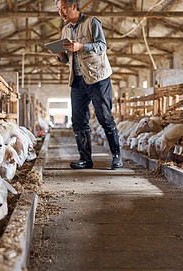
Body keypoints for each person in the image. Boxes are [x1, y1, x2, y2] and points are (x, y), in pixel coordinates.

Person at [55, 0, 123, 170]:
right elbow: (67, 59)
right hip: (77, 80)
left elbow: (102, 46)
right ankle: (85, 159)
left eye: (63, 8)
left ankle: (116, 157)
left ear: (73, 6)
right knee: (78, 120)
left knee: (105, 117)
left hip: (97, 78)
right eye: (58, 10)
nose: (61, 13)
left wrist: (82, 46)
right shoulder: (65, 30)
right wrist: (59, 56)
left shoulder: (92, 22)